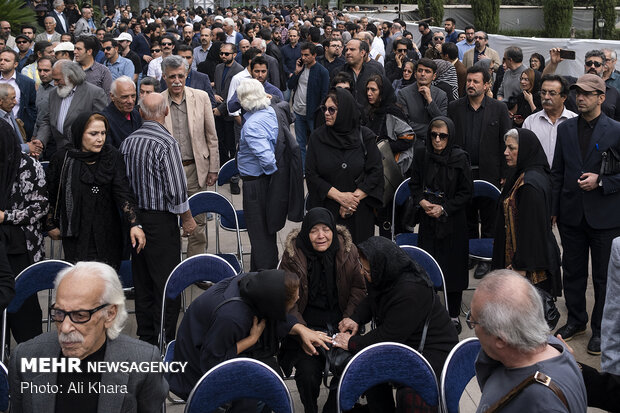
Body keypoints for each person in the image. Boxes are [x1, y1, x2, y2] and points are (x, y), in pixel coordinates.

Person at [9, 261, 169, 413]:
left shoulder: (143, 363)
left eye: (79, 315)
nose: (65, 327)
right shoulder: (25, 358)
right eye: (59, 313)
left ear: (110, 314)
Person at [168, 269, 332, 408]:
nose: (297, 301)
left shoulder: (255, 284)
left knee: (272, 376)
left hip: (220, 341)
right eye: (293, 302)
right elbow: (211, 363)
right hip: (196, 365)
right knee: (259, 391)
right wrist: (251, 340)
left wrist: (300, 329)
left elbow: (271, 314)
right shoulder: (233, 318)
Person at [332, 236, 458, 412]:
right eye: (361, 267)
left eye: (366, 270)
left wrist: (352, 343)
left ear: (381, 266)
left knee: (370, 362)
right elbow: (373, 298)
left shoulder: (410, 292)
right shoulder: (388, 274)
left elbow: (388, 336)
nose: (362, 273)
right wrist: (356, 318)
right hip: (407, 342)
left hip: (433, 353)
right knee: (368, 364)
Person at [551, 74, 620, 356]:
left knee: (603, 278)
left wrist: (602, 181)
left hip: (605, 217)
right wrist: (553, 210)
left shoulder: (616, 130)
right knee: (573, 272)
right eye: (577, 93)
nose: (580, 97)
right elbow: (557, 172)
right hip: (571, 215)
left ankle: (601, 331)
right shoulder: (565, 129)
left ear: (601, 98)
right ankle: (577, 320)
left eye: (587, 94)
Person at [120, 93, 196, 345]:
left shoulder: (128, 142)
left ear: (141, 113)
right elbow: (176, 189)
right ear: (165, 112)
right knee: (166, 282)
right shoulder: (167, 142)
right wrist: (187, 218)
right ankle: (165, 337)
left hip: (135, 222)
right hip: (160, 222)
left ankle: (146, 336)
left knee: (142, 280)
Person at [279, 208, 366, 413]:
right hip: (308, 326)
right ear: (306, 233)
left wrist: (349, 320)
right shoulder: (293, 256)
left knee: (352, 369)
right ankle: (310, 408)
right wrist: (302, 331)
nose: (321, 236)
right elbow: (286, 300)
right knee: (307, 374)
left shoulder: (348, 250)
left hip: (341, 323)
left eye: (326, 229)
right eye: (314, 231)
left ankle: (332, 408)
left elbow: (359, 288)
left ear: (333, 231)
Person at [469, 270, 587, 413]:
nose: (472, 326)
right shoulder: (552, 345)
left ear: (500, 339)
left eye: (474, 322)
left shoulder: (543, 404)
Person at [45, 111, 145, 270]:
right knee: (81, 281)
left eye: (103, 133)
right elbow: (53, 194)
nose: (100, 139)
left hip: (107, 230)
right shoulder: (63, 158)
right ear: (79, 134)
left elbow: (123, 192)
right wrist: (50, 224)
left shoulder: (111, 155)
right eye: (93, 134)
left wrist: (134, 224)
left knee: (106, 281)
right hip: (76, 232)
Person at [448, 65, 512, 278]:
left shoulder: (498, 109)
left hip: (489, 174)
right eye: (469, 81)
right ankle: (468, 253)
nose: (471, 85)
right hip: (462, 173)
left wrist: (504, 171)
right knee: (466, 217)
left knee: (489, 218)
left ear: (486, 85)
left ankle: (486, 258)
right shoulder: (455, 108)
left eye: (476, 82)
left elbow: (507, 141)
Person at [410, 116, 472, 332]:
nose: (437, 140)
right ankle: (430, 310)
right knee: (427, 266)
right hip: (428, 221)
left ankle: (453, 314)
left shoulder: (460, 158)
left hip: (453, 222)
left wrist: (444, 208)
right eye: (433, 135)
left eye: (442, 136)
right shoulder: (422, 154)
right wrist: (422, 201)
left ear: (450, 136)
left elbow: (467, 192)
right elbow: (414, 183)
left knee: (453, 268)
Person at [306, 88, 384, 244]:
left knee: (358, 257)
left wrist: (351, 201)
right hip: (327, 209)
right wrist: (340, 197)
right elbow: (311, 174)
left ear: (345, 111)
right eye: (324, 109)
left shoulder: (365, 136)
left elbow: (375, 171)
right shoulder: (317, 137)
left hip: (359, 210)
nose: (326, 113)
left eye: (332, 109)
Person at [492, 128, 561, 301]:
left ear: (525, 150)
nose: (505, 153)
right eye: (506, 147)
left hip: (527, 269)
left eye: (512, 148)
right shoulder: (523, 173)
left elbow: (532, 231)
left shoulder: (530, 186)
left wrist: (521, 266)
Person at [161, 55, 219, 258]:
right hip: (168, 173)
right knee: (170, 222)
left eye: (180, 76)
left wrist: (213, 168)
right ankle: (173, 264)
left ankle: (195, 264)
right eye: (171, 77)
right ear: (164, 77)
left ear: (186, 75)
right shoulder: (158, 101)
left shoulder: (201, 97)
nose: (176, 80)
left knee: (198, 220)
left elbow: (211, 135)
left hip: (196, 169)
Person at [0, 117, 47, 344]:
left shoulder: (28, 164)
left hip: (20, 247)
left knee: (24, 315)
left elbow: (40, 207)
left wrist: (6, 216)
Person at [235, 78, 279, 270]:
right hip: (261, 181)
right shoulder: (268, 112)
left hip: (256, 184)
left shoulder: (252, 125)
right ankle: (258, 271)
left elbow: (268, 159)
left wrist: (270, 177)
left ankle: (264, 276)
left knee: (259, 234)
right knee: (264, 234)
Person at [35, 60, 107, 159]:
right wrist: (40, 140)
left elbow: (101, 123)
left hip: (84, 154)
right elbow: (47, 120)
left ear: (70, 77)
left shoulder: (94, 93)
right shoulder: (53, 94)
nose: (55, 84)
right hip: (59, 153)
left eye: (58, 80)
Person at [289, 42, 330, 167]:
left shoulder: (322, 71)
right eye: (302, 55)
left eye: (306, 55)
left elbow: (324, 94)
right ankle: (303, 169)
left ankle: (315, 167)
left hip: (313, 114)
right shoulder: (300, 69)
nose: (303, 58)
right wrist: (296, 72)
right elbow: (290, 85)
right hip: (298, 111)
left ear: (314, 55)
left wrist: (319, 112)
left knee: (315, 143)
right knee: (300, 142)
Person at [522, 74, 576, 167]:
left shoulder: (575, 121)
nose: (546, 97)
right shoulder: (530, 122)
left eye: (552, 93)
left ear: (564, 97)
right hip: (538, 177)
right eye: (543, 92)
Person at [397, 58, 448, 143]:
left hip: (435, 144)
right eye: (420, 71)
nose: (423, 74)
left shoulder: (441, 95)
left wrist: (430, 100)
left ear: (434, 76)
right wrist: (432, 130)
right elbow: (404, 124)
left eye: (427, 71)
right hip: (412, 144)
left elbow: (442, 123)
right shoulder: (403, 94)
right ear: (415, 74)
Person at [0, 48, 37, 141]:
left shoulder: (27, 83)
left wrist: (28, 125)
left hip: (18, 129)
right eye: (0, 60)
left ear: (15, 64)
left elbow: (32, 106)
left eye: (6, 60)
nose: (2, 62)